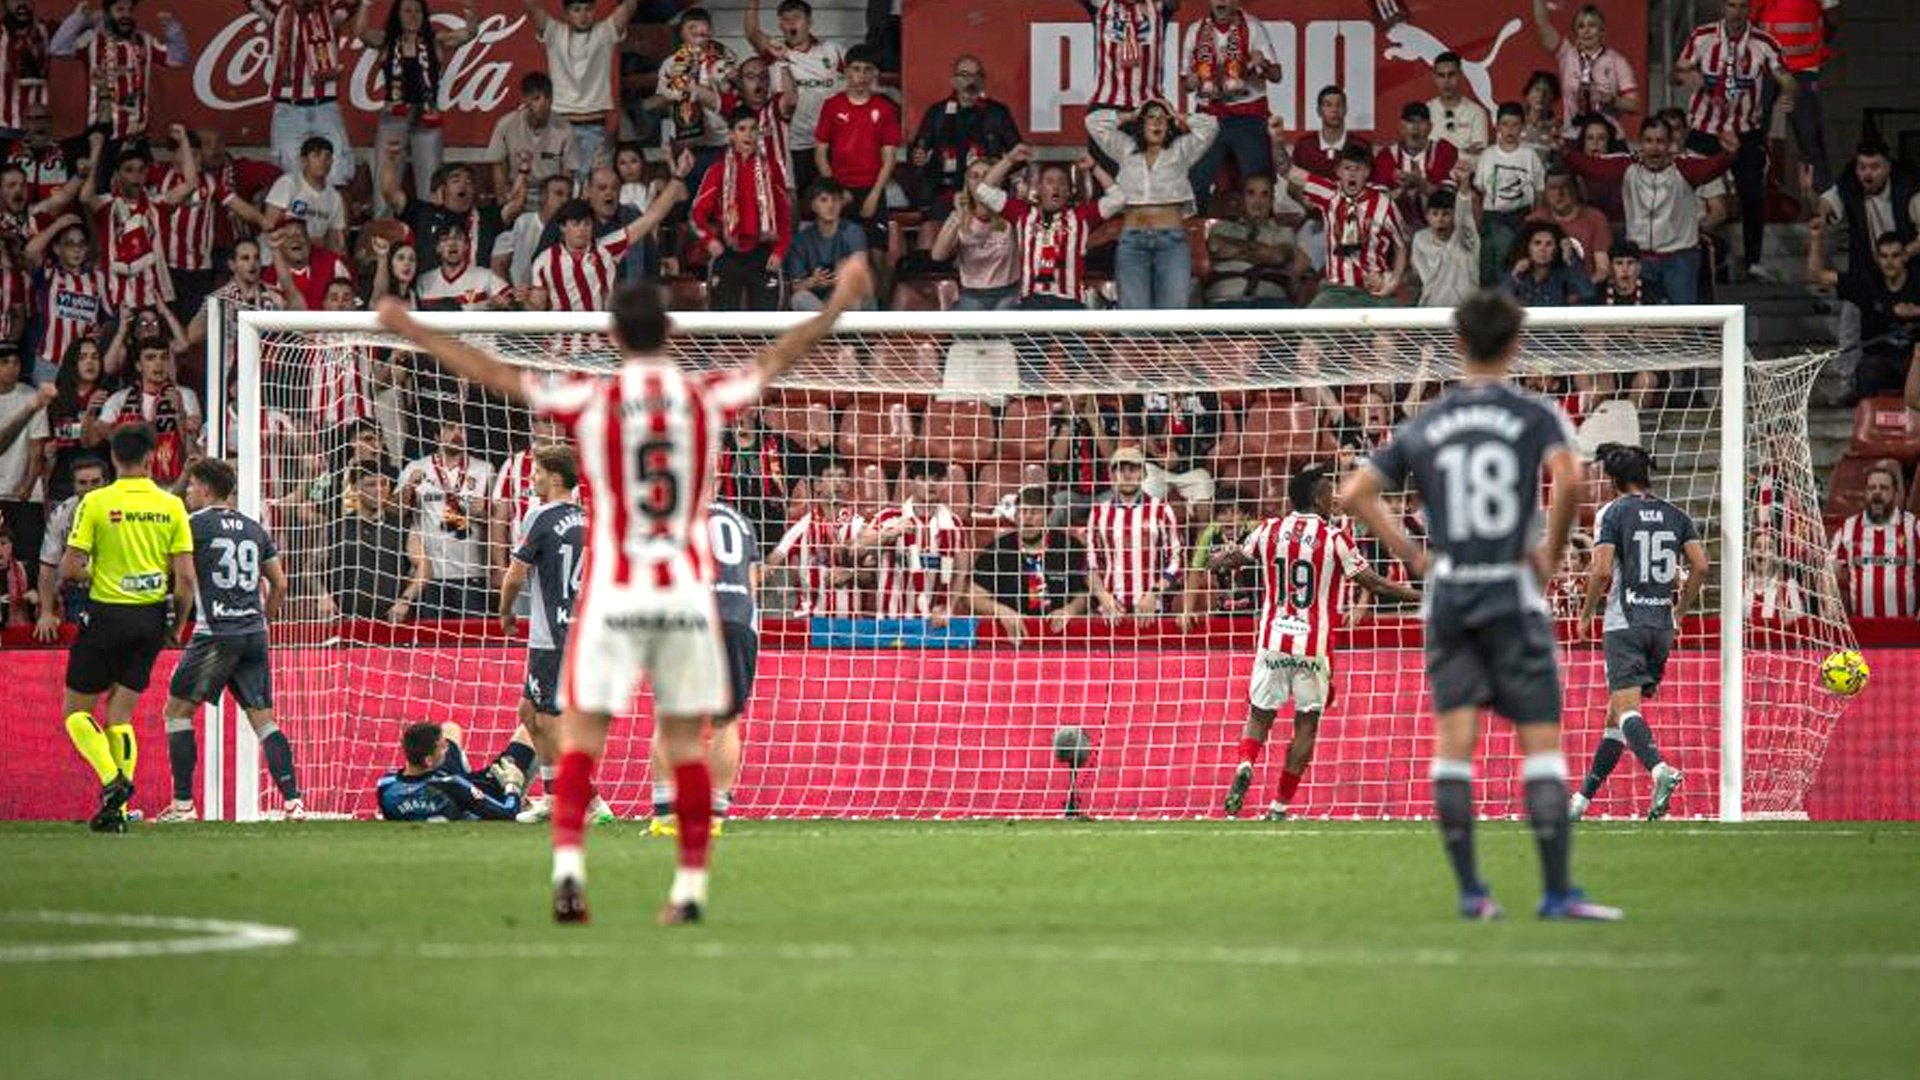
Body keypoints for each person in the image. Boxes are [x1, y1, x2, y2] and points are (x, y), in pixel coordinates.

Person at [372, 253, 873, 923]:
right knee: (685, 738)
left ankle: (570, 871)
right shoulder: (705, 396)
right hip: (683, 592)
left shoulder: (592, 396)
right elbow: (784, 354)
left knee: (581, 734)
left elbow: (494, 372)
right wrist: (838, 302)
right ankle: (689, 888)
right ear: (670, 329)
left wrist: (413, 327)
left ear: (612, 334)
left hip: (613, 592)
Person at [1339, 291, 1621, 921]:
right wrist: (1549, 550)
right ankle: (1556, 892)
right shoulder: (1534, 413)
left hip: (1451, 592)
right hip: (1510, 589)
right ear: (1516, 344)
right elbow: (1571, 478)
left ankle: (1472, 892)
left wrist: (1415, 559)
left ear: (1458, 344)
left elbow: (1355, 490)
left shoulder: (1427, 423)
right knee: (1541, 744)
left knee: (1454, 746)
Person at [1213, 464, 1418, 820]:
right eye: (1328, 491)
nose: (1333, 497)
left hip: (1273, 639)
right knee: (1306, 724)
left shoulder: (1268, 530)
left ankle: (1245, 764)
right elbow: (1375, 584)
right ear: (1316, 497)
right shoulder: (1335, 538)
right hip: (1313, 645)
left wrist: (1216, 559)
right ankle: (1279, 806)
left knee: (1259, 715)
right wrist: (1422, 596)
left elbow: (1231, 560)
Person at [57, 423, 196, 832]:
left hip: (107, 616)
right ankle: (115, 813)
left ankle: (112, 781)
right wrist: (178, 624)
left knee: (75, 713)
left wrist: (99, 573)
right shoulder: (171, 505)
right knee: (121, 714)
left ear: (114, 458)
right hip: (151, 619)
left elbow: (69, 567)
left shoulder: (97, 502)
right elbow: (186, 578)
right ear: (152, 456)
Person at [154, 459, 301, 823]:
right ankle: (294, 802)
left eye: (190, 487)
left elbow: (183, 580)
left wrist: (176, 624)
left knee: (177, 713)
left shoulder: (193, 526)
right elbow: (280, 584)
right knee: (264, 722)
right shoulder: (254, 528)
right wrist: (262, 620)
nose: (186, 493)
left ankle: (184, 806)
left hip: (215, 633)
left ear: (204, 488)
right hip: (253, 634)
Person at [1571, 444, 1704, 823]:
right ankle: (1580, 802)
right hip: (1661, 627)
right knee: (1617, 717)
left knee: (1626, 710)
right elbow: (1700, 565)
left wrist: (1586, 614)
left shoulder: (1611, 513)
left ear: (1613, 480)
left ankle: (1660, 770)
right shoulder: (1675, 514)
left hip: (1624, 622)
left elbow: (1599, 571)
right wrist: (1679, 609)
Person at [648, 499, 761, 834]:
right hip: (738, 621)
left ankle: (667, 816)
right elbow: (753, 582)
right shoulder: (739, 520)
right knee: (727, 722)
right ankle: (712, 817)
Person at [498, 446, 594, 826]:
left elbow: (515, 575)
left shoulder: (540, 516)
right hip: (578, 627)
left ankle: (588, 801)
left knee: (550, 720)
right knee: (529, 713)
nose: (531, 479)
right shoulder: (586, 520)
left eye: (536, 472)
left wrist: (505, 613)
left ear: (555, 478)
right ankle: (556, 798)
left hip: (550, 633)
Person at [1676, 0, 1797, 282]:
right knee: (1688, 194)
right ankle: (1688, 255)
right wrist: (1686, 74)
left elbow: (1787, 78)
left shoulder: (1764, 42)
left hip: (1746, 131)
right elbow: (1678, 69)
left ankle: (1753, 262)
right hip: (1705, 130)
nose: (1737, 12)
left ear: (1750, 10)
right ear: (1723, 7)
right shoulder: (1701, 37)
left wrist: (1788, 93)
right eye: (1732, 4)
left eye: (1743, 6)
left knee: (1753, 194)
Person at [1566, 118, 1731, 305]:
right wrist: (1564, 151)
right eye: (1649, 141)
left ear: (1670, 145)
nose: (1654, 147)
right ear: (1640, 143)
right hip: (1640, 260)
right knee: (1641, 321)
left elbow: (1716, 166)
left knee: (1681, 320)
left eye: (1660, 142)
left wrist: (1730, 153)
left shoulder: (1686, 167)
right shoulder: (1627, 166)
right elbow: (1591, 166)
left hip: (1680, 259)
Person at [1086, 99, 1217, 309]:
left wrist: (1176, 114)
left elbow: (1210, 126)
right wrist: (1130, 115)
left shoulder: (1181, 150)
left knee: (1171, 319)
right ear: (1141, 122)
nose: (1156, 123)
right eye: (1150, 117)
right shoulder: (1125, 148)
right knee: (1134, 322)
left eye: (1162, 119)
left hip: (1172, 243)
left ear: (1169, 124)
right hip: (1133, 242)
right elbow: (1093, 122)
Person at [353, 0, 477, 211]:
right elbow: (362, 32)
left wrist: (469, 9)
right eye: (407, 11)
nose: (413, 16)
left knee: (430, 186)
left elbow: (469, 34)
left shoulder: (435, 41)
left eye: (418, 11)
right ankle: (384, 236)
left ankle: (428, 237)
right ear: (398, 15)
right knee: (385, 187)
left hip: (427, 118)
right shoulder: (387, 40)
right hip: (394, 116)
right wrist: (365, 4)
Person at [974, 145, 1126, 310]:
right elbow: (983, 191)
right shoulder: (1021, 214)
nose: (1056, 187)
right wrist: (1009, 160)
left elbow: (1118, 198)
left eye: (1062, 182)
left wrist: (1094, 167)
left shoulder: (1081, 216)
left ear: (1068, 191)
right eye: (1050, 182)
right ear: (1038, 189)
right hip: (1031, 302)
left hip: (1069, 302)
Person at [1274, 137, 1405, 307]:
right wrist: (1277, 140)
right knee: (1306, 332)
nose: (1352, 173)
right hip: (1335, 290)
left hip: (1374, 290)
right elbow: (1287, 170)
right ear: (1338, 171)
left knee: (1388, 332)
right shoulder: (1328, 193)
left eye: (1358, 169)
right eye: (1347, 168)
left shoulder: (1384, 203)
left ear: (1367, 172)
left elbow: (1401, 246)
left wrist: (1394, 280)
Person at [1806, 214, 1920, 401]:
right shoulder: (1867, 282)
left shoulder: (1917, 282)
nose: (1889, 262)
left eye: (1895, 256)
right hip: (1878, 362)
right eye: (1884, 256)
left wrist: (1916, 312)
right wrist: (1816, 239)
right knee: (1867, 370)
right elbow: (1817, 276)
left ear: (1905, 257)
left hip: (1914, 361)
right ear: (1877, 258)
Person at [527, 180, 687, 313]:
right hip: (560, 347)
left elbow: (652, 217)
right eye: (575, 224)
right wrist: (524, 301)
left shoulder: (607, 249)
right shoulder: (544, 261)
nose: (582, 229)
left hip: (601, 345)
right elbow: (537, 308)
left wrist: (678, 176)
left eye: (587, 224)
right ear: (562, 227)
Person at [1180, 0, 1278, 212]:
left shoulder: (1252, 26)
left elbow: (1277, 75)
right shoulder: (1195, 30)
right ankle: (1201, 237)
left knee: (1258, 185)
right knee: (1196, 182)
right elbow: (1186, 83)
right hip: (1209, 116)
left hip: (1248, 116)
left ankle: (1261, 239)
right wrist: (1193, 80)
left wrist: (1262, 63)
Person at [691, 108, 792, 312]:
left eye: (753, 129)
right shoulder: (717, 170)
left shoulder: (772, 169)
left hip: (763, 254)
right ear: (731, 135)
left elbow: (784, 216)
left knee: (767, 326)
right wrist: (709, 240)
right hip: (729, 254)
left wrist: (780, 251)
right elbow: (697, 214)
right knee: (722, 322)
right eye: (742, 129)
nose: (748, 134)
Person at [523, 0, 638, 179]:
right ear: (566, 14)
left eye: (588, 9)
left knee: (592, 189)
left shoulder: (605, 32)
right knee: (558, 185)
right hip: (559, 126)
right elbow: (532, 6)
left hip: (595, 128)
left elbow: (629, 6)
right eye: (576, 10)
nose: (583, 15)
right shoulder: (554, 32)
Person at [250, 0, 357, 189]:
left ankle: (338, 218)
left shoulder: (330, 10)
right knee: (287, 179)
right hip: (288, 107)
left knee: (337, 175)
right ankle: (293, 219)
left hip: (325, 105)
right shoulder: (277, 8)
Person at [50, 0, 190, 142]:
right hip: (100, 137)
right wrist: (78, 18)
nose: (126, 15)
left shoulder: (145, 41)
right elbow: (58, 48)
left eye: (130, 10)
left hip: (136, 136)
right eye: (120, 10)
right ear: (107, 14)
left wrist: (173, 30)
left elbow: (177, 59)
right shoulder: (92, 40)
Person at [396, 414, 493, 618]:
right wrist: (408, 489)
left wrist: (481, 513)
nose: (457, 434)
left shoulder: (485, 469)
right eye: (450, 428)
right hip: (430, 576)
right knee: (429, 645)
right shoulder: (416, 467)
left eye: (462, 429)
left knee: (472, 645)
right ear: (436, 435)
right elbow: (394, 512)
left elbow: (497, 520)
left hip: (471, 574)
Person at [746, 0, 846, 197]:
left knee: (834, 199)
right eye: (786, 19)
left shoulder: (832, 50)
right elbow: (752, 32)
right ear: (780, 25)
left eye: (797, 18)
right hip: (794, 143)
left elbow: (859, 74)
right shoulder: (775, 52)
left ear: (809, 22)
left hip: (831, 141)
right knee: (800, 200)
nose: (792, 23)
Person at [967, 484, 1091, 640]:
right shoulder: (999, 550)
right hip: (1013, 635)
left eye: (1035, 512)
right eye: (1022, 511)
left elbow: (1083, 593)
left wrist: (1070, 610)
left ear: (1048, 515)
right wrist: (1000, 610)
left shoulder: (1068, 546)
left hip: (1060, 634)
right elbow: (972, 597)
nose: (1027, 517)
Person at [1075, 0, 1180, 174]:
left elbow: (1174, 3)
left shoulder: (1158, 8)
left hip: (1150, 108)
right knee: (1107, 185)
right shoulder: (1101, 5)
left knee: (1156, 183)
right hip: (1107, 106)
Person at [854, 459, 963, 625]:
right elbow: (858, 548)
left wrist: (949, 607)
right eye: (923, 478)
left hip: (933, 623)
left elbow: (960, 572)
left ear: (945, 484)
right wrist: (891, 533)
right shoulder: (889, 517)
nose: (931, 484)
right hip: (890, 620)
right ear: (910, 483)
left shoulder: (953, 523)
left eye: (937, 479)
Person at [908, 53, 1019, 214]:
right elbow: (918, 148)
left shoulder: (998, 113)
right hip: (944, 192)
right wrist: (918, 156)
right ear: (953, 81)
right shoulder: (937, 113)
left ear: (983, 81)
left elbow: (1018, 156)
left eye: (976, 76)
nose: (971, 81)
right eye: (964, 75)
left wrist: (998, 165)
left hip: (987, 193)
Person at [813, 45, 898, 245]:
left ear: (874, 73)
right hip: (840, 189)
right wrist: (837, 191)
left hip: (873, 188)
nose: (861, 75)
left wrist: (875, 195)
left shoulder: (885, 108)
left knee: (878, 255)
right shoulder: (832, 106)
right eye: (856, 69)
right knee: (841, 254)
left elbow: (890, 157)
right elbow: (820, 153)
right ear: (846, 72)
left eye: (867, 69)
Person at [1086, 445, 1182, 621]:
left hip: (1152, 610)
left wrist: (1154, 594)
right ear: (1112, 475)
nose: (1127, 474)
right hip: (1110, 612)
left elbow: (1176, 561)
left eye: (1133, 468)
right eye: (1121, 469)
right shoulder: (1099, 513)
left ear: (1143, 473)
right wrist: (1103, 597)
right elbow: (1091, 563)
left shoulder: (1162, 510)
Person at [376, 720, 532, 821]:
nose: (447, 747)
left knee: (450, 728)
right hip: (474, 790)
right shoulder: (454, 786)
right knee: (531, 729)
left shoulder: (385, 785)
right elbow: (508, 813)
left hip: (437, 780)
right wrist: (513, 786)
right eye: (443, 746)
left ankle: (462, 767)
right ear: (429, 760)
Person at [98, 338, 202, 487]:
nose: (159, 363)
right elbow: (98, 434)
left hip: (176, 484)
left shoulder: (185, 395)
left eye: (164, 357)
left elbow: (193, 446)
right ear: (139, 366)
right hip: (131, 485)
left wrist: (179, 412)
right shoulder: (120, 399)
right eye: (151, 358)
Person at [1531, 0, 1640, 141]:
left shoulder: (1617, 61)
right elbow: (1542, 24)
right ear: (1576, 32)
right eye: (1581, 26)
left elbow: (1635, 105)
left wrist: (1610, 99)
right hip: (1573, 137)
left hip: (1609, 138)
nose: (1586, 31)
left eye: (1592, 25)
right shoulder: (1567, 55)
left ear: (1602, 31)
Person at [769, 458, 865, 617]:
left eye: (842, 477)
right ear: (817, 485)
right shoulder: (801, 528)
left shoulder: (859, 526)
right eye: (831, 477)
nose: (838, 483)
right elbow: (772, 561)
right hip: (811, 624)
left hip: (850, 626)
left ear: (848, 484)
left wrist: (851, 574)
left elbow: (871, 577)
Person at [1828, 460, 1920, 619]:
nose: (1877, 493)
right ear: (1865, 493)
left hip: (1905, 628)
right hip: (1863, 629)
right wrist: (1830, 604)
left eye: (1884, 488)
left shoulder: (1914, 527)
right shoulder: (1848, 528)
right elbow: (1829, 571)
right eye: (1872, 488)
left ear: (1895, 493)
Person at [1819, 140, 1920, 282]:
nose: (1867, 174)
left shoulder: (1909, 189)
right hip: (1866, 271)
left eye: (1874, 167)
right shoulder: (1850, 181)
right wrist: (1812, 201)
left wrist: (1901, 255)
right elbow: (1827, 203)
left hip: (1907, 273)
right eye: (1862, 168)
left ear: (1887, 168)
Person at [33, 453, 108, 641]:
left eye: (95, 482)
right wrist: (46, 613)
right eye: (82, 483)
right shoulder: (61, 515)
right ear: (74, 486)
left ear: (106, 483)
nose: (89, 488)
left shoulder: (123, 510)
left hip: (117, 590)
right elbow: (47, 569)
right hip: (78, 591)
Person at [931, 157, 1020, 311]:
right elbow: (937, 255)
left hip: (1009, 292)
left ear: (996, 180)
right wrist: (959, 216)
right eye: (974, 176)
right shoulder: (959, 215)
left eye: (986, 175)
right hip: (972, 294)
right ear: (967, 184)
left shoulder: (1010, 213)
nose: (981, 181)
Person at [1472, 102, 1546, 285]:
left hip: (1522, 218)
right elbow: (1479, 193)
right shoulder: (1487, 155)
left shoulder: (1530, 155)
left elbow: (1540, 191)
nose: (1510, 130)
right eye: (1505, 124)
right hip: (1492, 218)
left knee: (1517, 270)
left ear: (1522, 126)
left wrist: (1535, 220)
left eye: (1515, 125)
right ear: (1497, 126)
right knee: (1489, 269)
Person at [1204, 173, 1303, 308]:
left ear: (1272, 200)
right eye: (1251, 193)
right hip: (1224, 301)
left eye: (1264, 194)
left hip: (1270, 304)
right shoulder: (1222, 228)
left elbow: (1277, 256)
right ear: (1242, 199)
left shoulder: (1284, 231)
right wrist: (1263, 251)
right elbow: (1216, 247)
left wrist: (1235, 249)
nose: (1258, 201)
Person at [486, 71, 580, 197]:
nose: (543, 104)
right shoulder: (506, 124)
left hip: (549, 193)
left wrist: (561, 203)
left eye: (548, 98)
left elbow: (567, 173)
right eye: (536, 98)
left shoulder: (565, 129)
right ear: (524, 99)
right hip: (516, 189)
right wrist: (502, 201)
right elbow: (498, 165)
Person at [784, 179, 870, 312]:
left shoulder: (853, 231)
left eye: (835, 200)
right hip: (818, 304)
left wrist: (839, 279)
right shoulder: (802, 239)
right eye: (823, 200)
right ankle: (828, 328)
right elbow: (796, 287)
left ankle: (827, 329)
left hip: (845, 297)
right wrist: (813, 281)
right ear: (812, 205)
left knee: (853, 296)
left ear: (842, 203)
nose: (830, 205)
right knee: (799, 298)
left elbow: (859, 272)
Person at [0, 343, 51, 560]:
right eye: (5, 362)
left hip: (25, 496)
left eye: (16, 362)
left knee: (27, 560)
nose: (12, 367)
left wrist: (28, 486)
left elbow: (36, 448)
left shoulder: (32, 397)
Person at [1372, 101, 1458, 226]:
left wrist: (1421, 183)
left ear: (1430, 127)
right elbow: (1377, 201)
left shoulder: (1444, 150)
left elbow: (1449, 198)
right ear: (1401, 126)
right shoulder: (1387, 156)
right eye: (1410, 122)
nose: (1415, 127)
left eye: (1421, 122)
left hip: (1439, 227)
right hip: (1399, 227)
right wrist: (1402, 189)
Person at [1527, 167, 1612, 285]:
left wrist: (1581, 291)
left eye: (1565, 187)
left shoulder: (1596, 219)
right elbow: (1523, 267)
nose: (1559, 193)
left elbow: (1603, 270)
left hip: (1586, 291)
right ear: (1545, 192)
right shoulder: (1533, 221)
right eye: (1553, 188)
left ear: (1575, 189)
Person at [1410, 185, 1479, 308]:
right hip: (1431, 310)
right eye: (1435, 214)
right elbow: (1422, 277)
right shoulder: (1420, 239)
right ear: (1427, 216)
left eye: (1446, 214)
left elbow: (1466, 219)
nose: (1440, 219)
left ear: (1455, 216)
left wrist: (1464, 186)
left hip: (1465, 312)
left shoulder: (1467, 239)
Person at [1504, 220, 1595, 306]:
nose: (1542, 249)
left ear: (1556, 249)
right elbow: (1501, 301)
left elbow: (1587, 293)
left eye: (1549, 244)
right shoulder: (1519, 274)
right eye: (1537, 243)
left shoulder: (1564, 274)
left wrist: (1569, 259)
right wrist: (1514, 274)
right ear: (1528, 247)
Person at [1426, 52, 1489, 159]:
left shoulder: (1477, 112)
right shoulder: (1425, 111)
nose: (1446, 81)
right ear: (1434, 78)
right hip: (1430, 175)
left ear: (1461, 75)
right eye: (1441, 75)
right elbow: (1418, 153)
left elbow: (1479, 156)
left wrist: (1438, 153)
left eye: (1451, 74)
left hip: (1467, 174)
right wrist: (1464, 151)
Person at [1599, 239, 1667, 305]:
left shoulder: (1654, 294)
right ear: (1610, 267)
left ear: (1639, 267)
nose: (1625, 269)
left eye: (1630, 263)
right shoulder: (1599, 296)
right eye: (1619, 263)